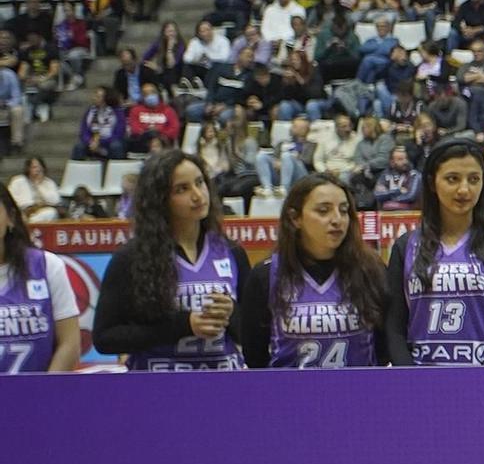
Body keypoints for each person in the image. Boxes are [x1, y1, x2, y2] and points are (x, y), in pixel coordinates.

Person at [95, 152, 249, 371]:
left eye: (199, 183)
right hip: (158, 388)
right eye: (182, 189)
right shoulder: (130, 257)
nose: (198, 195)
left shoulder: (232, 251)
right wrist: (184, 325)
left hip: (224, 383)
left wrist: (232, 313)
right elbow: (105, 338)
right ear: (160, 198)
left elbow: (255, 334)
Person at [384, 136, 484, 366]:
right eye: (452, 179)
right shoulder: (406, 246)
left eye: (474, 179)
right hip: (423, 380)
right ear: (432, 183)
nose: (464, 189)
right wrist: (409, 377)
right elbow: (394, 328)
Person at [240, 174, 386, 368]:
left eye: (344, 211)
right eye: (323, 211)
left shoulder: (371, 269)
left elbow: (384, 346)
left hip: (358, 393)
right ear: (295, 218)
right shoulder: (265, 275)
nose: (337, 219)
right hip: (289, 394)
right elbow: (254, 355)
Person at [0, 185, 81, 372]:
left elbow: (69, 342)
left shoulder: (48, 266)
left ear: (11, 218)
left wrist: (46, 392)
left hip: (38, 397)